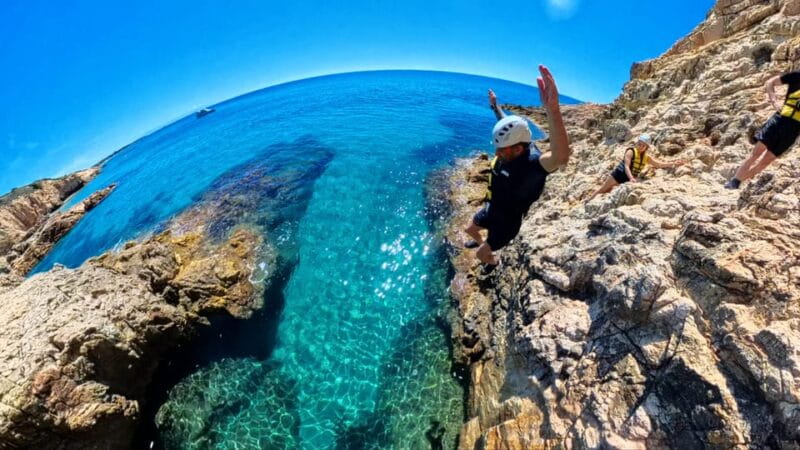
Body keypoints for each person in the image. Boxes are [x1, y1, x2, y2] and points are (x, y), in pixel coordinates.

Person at [463, 65, 571, 275]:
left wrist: (553, 110)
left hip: (507, 222)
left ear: (519, 148)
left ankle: (492, 262)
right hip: (492, 208)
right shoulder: (512, 144)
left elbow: (560, 157)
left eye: (502, 151)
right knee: (469, 230)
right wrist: (496, 107)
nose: (498, 154)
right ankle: (484, 244)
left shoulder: (532, 164)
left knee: (480, 256)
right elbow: (506, 125)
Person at [725, 71, 800, 189]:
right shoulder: (796, 76)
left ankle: (739, 181)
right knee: (757, 152)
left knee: (765, 162)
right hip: (779, 120)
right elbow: (770, 82)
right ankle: (735, 180)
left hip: (793, 130)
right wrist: (774, 100)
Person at [586, 134, 687, 202]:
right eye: (639, 144)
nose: (640, 146)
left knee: (609, 191)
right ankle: (588, 200)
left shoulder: (647, 157)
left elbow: (659, 164)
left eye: (643, 145)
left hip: (629, 178)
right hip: (618, 175)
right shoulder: (630, 151)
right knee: (603, 189)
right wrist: (631, 178)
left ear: (646, 147)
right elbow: (626, 166)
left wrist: (674, 163)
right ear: (636, 143)